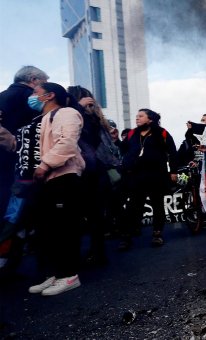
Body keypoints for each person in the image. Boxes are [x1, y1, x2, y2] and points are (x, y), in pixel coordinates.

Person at [27, 82, 85, 296]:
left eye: (36, 93)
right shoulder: (41, 119)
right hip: (48, 179)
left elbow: (68, 141)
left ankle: (69, 275)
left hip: (64, 177)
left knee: (64, 228)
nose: (32, 96)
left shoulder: (66, 113)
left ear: (50, 95)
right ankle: (54, 274)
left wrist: (45, 164)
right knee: (48, 229)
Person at [67, 85, 118, 265]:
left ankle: (94, 253)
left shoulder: (89, 118)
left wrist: (80, 109)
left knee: (91, 214)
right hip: (90, 170)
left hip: (90, 171)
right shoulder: (80, 115)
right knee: (91, 215)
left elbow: (92, 140)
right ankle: (95, 252)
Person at [118, 109, 178, 249]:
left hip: (156, 176)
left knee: (157, 205)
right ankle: (126, 237)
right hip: (136, 176)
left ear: (150, 119)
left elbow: (172, 152)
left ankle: (157, 234)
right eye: (136, 116)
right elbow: (123, 149)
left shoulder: (161, 133)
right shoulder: (132, 133)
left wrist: (173, 171)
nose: (137, 118)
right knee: (133, 206)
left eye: (141, 116)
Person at [0, 66, 49, 220]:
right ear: (33, 80)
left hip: (4, 160)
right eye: (43, 83)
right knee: (18, 208)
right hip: (22, 163)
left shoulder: (3, 96)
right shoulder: (30, 97)